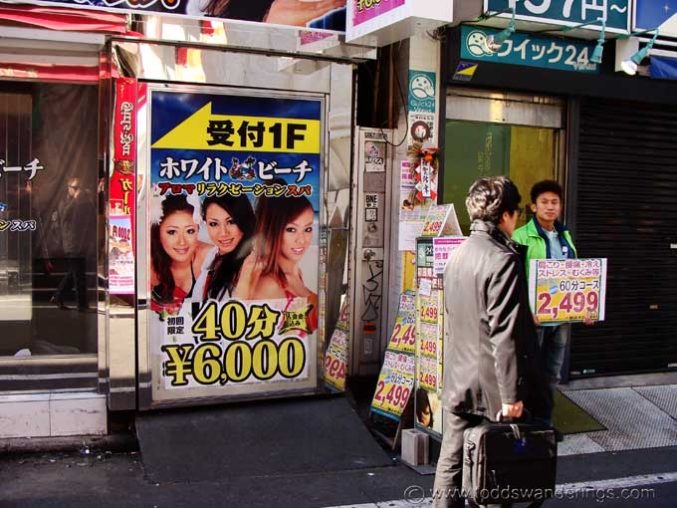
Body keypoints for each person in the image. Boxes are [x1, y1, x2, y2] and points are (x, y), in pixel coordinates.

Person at [432, 177, 550, 508]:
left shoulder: (457, 256)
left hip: (458, 379)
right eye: (516, 214)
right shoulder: (503, 260)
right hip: (494, 388)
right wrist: (511, 396)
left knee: (452, 463)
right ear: (506, 216)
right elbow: (505, 333)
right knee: (498, 470)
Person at [512, 180, 580, 429]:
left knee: (552, 372)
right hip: (534, 320)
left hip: (560, 320)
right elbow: (515, 281)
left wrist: (583, 309)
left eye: (555, 202)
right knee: (530, 371)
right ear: (533, 206)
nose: (550, 207)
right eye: (544, 202)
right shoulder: (521, 237)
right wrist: (527, 311)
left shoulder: (565, 236)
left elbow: (576, 277)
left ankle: (545, 422)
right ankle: (526, 423)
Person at [248, 193, 318, 332]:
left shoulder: (296, 273)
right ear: (275, 231)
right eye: (291, 229)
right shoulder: (269, 284)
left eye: (308, 229)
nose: (302, 240)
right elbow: (278, 339)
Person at [150, 193, 209, 317]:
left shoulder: (210, 257)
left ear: (198, 230)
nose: (182, 242)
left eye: (190, 231)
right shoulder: (149, 261)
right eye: (172, 232)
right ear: (158, 233)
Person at [192, 194, 256, 304]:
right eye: (214, 224)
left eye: (231, 222)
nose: (223, 233)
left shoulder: (252, 263)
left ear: (244, 220)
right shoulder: (214, 254)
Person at [51, 177, 95, 311]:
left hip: (82, 243)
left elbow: (91, 216)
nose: (78, 191)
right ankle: (82, 305)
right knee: (79, 275)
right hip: (72, 244)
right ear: (69, 188)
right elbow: (64, 215)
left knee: (74, 273)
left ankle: (58, 296)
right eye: (75, 188)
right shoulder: (65, 202)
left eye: (79, 188)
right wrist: (75, 199)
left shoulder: (84, 202)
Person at [187, 0, 345, 27]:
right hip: (257, 15)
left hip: (259, 14)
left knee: (324, 7)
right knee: (324, 7)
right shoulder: (193, 7)